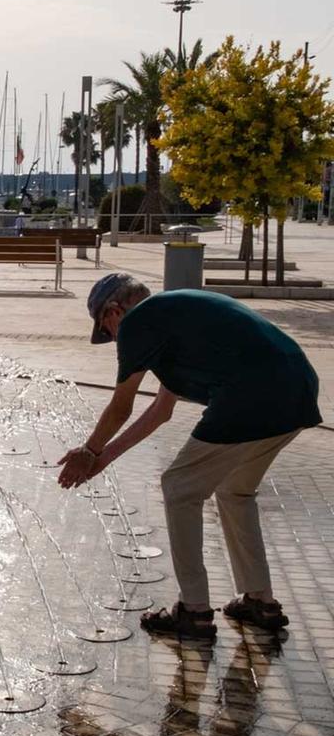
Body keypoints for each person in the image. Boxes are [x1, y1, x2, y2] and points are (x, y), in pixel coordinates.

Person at [58, 273, 322, 640]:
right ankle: (260, 600)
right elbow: (159, 412)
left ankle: (194, 610)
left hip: (250, 397)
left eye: (108, 330)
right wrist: (97, 463)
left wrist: (88, 450)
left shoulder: (140, 322)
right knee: (235, 492)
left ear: (115, 310)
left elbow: (122, 406)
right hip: (299, 390)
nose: (115, 340)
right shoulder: (176, 319)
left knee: (179, 488)